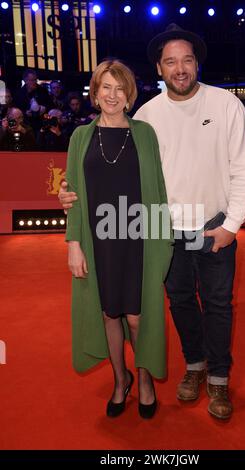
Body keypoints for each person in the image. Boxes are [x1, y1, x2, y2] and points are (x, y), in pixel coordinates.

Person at [59, 24, 245, 420]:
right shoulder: (148, 116)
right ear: (159, 68)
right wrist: (68, 194)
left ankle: (218, 379)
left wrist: (232, 225)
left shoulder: (225, 105)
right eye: (171, 61)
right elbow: (98, 176)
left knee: (218, 304)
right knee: (180, 303)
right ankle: (194, 367)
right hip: (162, 230)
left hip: (213, 225)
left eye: (186, 60)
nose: (179, 68)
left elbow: (244, 167)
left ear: (196, 63)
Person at [64, 59, 173, 419]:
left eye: (119, 88)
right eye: (105, 87)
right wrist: (74, 243)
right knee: (110, 313)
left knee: (138, 316)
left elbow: (157, 191)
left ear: (129, 95)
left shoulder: (144, 133)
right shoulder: (80, 136)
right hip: (98, 243)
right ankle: (119, 379)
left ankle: (143, 380)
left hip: (138, 239)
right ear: (95, 93)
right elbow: (73, 195)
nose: (112, 95)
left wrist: (161, 247)